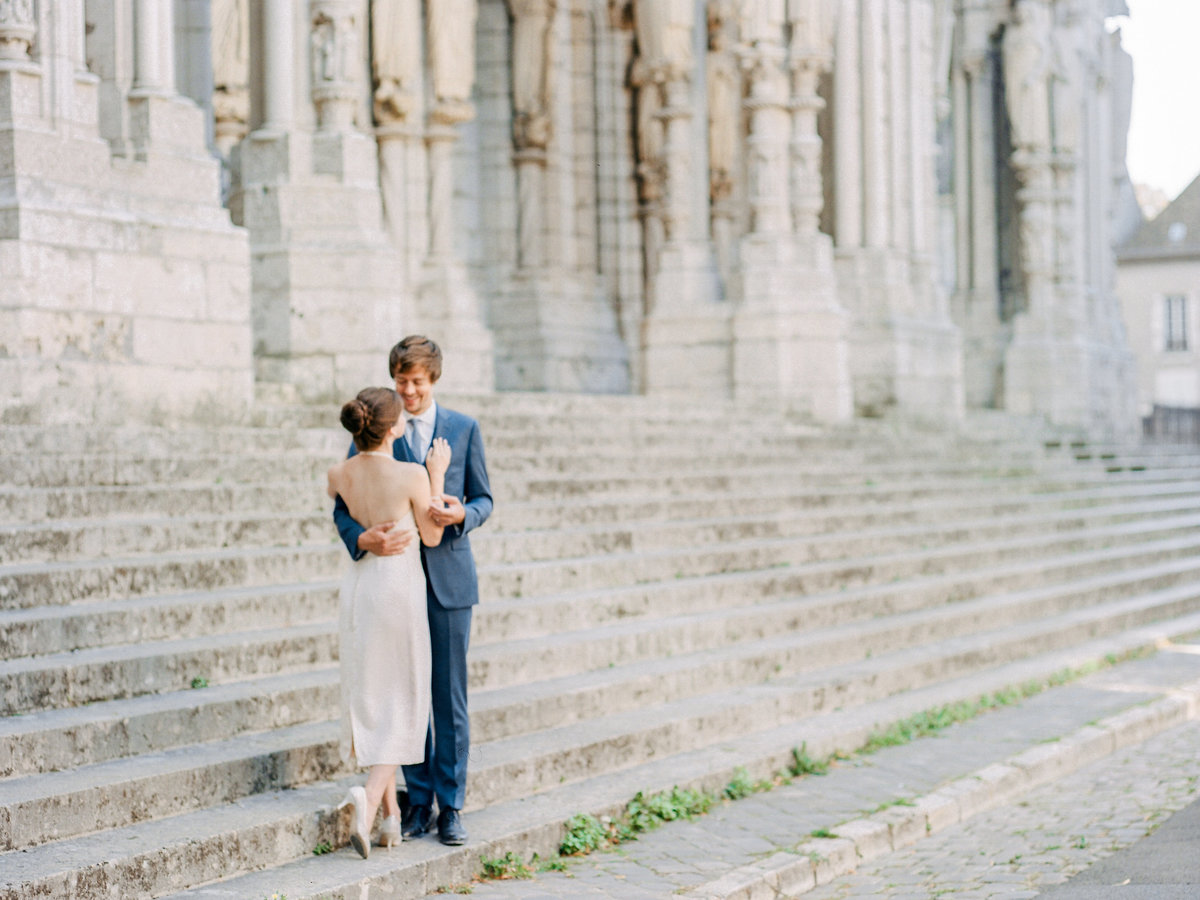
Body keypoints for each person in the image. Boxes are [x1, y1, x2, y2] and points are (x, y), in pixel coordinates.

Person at [333, 336, 493, 846]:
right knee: (403, 691)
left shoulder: (464, 429)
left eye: (417, 382)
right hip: (394, 582)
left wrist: (463, 514)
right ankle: (415, 801)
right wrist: (362, 536)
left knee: (448, 699)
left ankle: (451, 807)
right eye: (400, 381)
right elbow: (344, 500)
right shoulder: (377, 423)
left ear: (434, 380)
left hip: (446, 581)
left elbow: (485, 497)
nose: (407, 391)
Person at [328, 386, 451, 859]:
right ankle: (368, 798)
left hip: (360, 588)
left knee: (375, 691)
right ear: (395, 427)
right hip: (398, 590)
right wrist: (436, 477)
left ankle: (392, 821)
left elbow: (344, 511)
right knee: (404, 697)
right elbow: (434, 535)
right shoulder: (412, 473)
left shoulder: (338, 473)